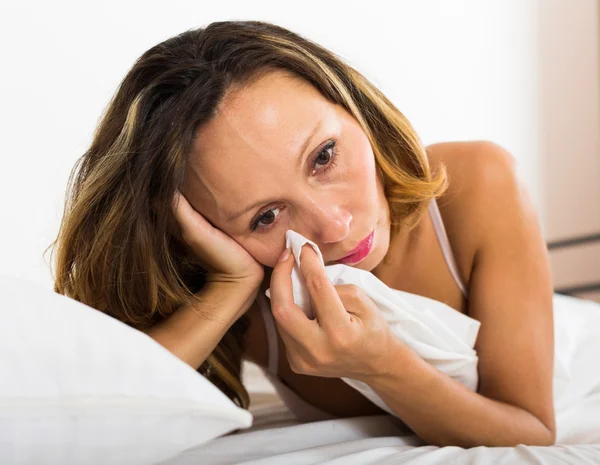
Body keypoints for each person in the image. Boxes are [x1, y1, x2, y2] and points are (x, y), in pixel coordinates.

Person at [49, 20, 556, 448]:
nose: (335, 226)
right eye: (265, 216)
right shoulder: (242, 300)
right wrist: (229, 290)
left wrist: (383, 366)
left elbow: (531, 432)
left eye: (324, 157)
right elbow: (100, 427)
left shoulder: (476, 185)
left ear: (354, 104)